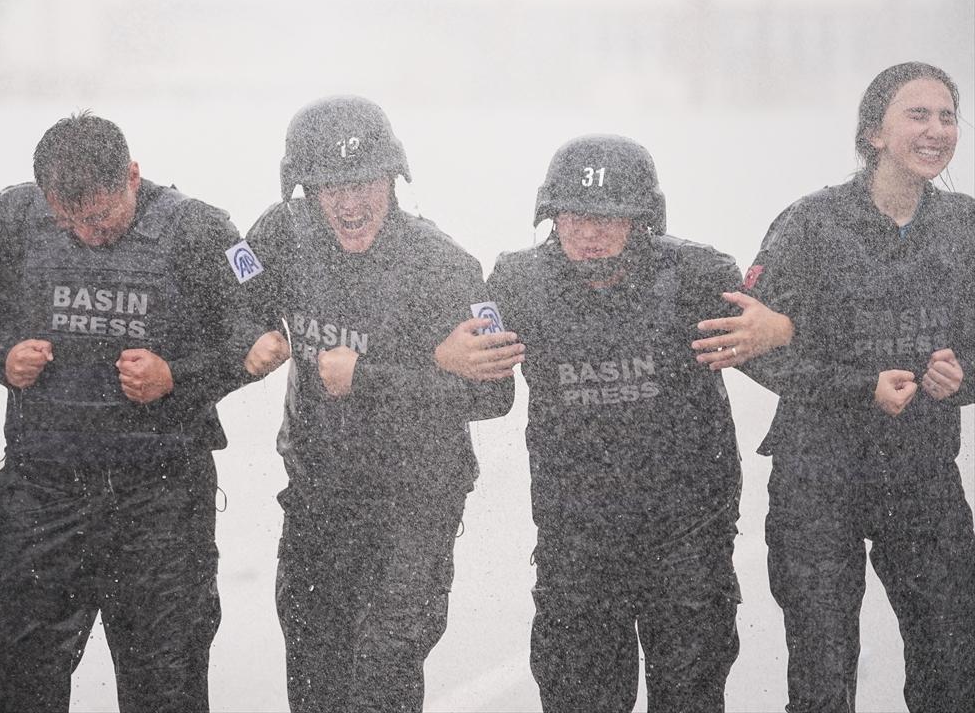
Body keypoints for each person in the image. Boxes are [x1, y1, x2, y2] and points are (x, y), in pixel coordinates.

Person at [694, 62, 975, 713]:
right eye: (918, 114)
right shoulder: (811, 224)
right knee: (823, 683)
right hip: (818, 477)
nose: (935, 129)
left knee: (954, 677)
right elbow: (743, 342)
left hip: (924, 478)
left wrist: (964, 378)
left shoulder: (965, 227)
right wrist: (857, 386)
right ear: (874, 132)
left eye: (947, 115)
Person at [237, 95, 521, 713]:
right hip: (318, 493)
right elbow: (233, 298)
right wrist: (251, 337)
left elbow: (497, 392)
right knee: (315, 675)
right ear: (304, 190)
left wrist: (373, 377)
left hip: (413, 501)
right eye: (330, 186)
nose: (350, 203)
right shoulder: (280, 234)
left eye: (365, 181)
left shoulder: (444, 266)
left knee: (381, 674)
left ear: (394, 179)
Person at [0, 112, 248, 713]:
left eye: (99, 216)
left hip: (161, 496)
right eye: (67, 221)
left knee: (164, 679)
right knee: (17, 667)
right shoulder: (14, 217)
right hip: (43, 487)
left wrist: (178, 375)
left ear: (133, 177)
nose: (86, 233)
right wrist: (0, 356)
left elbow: (259, 338)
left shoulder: (201, 230)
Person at [487, 134, 744, 712]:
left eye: (610, 219)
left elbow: (785, 344)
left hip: (688, 535)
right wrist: (450, 359)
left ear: (643, 220)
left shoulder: (700, 277)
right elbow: (478, 385)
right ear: (551, 218)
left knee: (690, 699)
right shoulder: (516, 284)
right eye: (576, 219)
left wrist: (779, 332)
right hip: (577, 539)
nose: (592, 236)